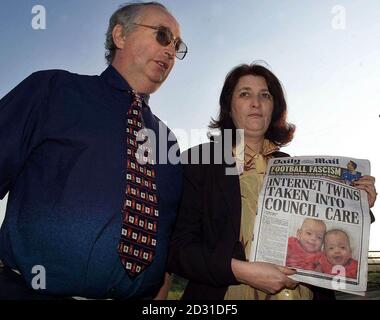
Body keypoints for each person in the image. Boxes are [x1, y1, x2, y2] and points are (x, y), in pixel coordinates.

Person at [0, 2, 187, 300]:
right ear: (120, 36)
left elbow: (168, 229)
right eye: (162, 35)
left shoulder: (168, 141)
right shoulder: (52, 91)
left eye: (177, 45)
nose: (170, 51)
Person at [168, 63, 377, 300]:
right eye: (245, 93)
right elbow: (178, 249)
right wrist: (239, 271)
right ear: (229, 106)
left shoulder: (293, 167)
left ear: (274, 107)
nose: (255, 102)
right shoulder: (200, 162)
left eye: (265, 95)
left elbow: (323, 230)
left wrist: (358, 204)